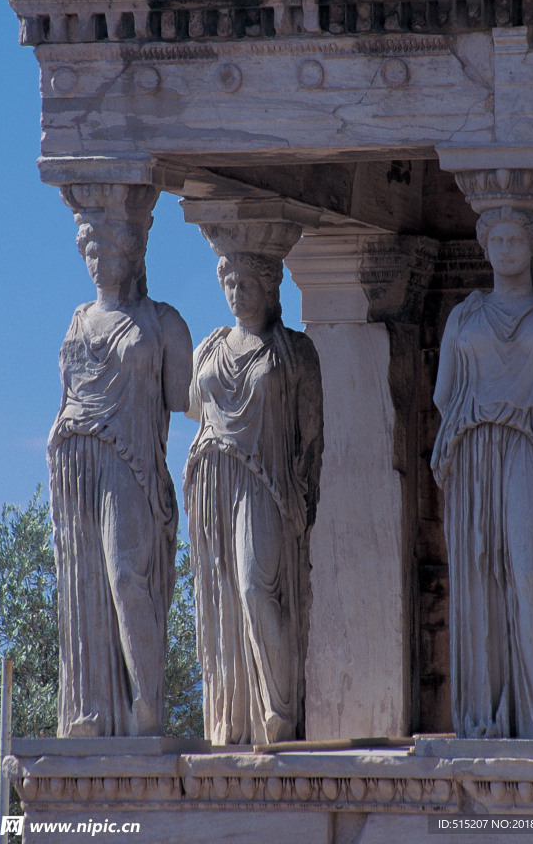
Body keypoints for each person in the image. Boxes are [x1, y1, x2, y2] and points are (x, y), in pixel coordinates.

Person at [431, 206, 533, 739]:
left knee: (530, 576)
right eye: (495, 238)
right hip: (475, 453)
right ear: (483, 246)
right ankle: (485, 719)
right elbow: (442, 394)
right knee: (480, 581)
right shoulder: (464, 316)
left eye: (514, 237)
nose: (504, 247)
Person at [48, 198, 192, 737]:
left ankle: (149, 705)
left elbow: (185, 400)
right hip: (75, 458)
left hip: (131, 464)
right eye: (89, 249)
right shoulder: (78, 320)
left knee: (127, 574)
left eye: (106, 247)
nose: (96, 259)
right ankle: (93, 711)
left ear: (133, 252)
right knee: (83, 581)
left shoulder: (163, 324)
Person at [184, 249, 323, 745]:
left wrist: (305, 497)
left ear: (269, 288)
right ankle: (236, 720)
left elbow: (312, 436)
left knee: (253, 588)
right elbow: (185, 404)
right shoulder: (209, 348)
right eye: (230, 283)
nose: (236, 294)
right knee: (221, 595)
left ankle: (281, 707)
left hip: (266, 484)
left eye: (247, 284)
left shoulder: (293, 353)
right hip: (213, 480)